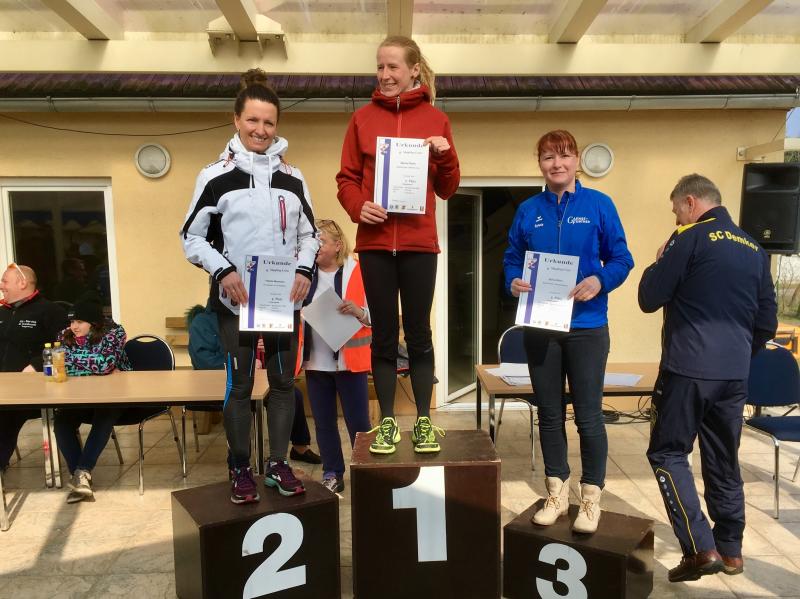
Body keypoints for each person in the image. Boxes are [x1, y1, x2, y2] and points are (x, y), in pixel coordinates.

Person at [181, 69, 319, 504]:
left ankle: (277, 463)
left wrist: (304, 270)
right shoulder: (214, 176)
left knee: (283, 385)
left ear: (277, 126)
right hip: (234, 301)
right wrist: (223, 271)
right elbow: (191, 237)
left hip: (281, 300)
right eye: (253, 120)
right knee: (240, 387)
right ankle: (240, 466)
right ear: (237, 120)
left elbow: (310, 235)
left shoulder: (293, 177)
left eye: (269, 122)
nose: (261, 130)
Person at [638, 174, 777, 582]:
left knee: (667, 453)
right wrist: (736, 355)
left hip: (687, 370)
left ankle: (701, 548)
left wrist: (659, 259)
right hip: (734, 375)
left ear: (691, 202)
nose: (676, 219)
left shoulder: (689, 238)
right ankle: (731, 550)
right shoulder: (754, 248)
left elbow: (649, 297)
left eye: (677, 211)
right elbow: (766, 322)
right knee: (723, 458)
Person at [504, 129, 634, 534]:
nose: (556, 164)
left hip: (587, 327)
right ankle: (556, 493)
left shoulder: (599, 205)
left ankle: (591, 497)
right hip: (541, 327)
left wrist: (600, 280)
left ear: (577, 160)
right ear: (539, 164)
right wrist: (512, 280)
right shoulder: (528, 209)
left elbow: (622, 258)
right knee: (548, 414)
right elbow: (511, 257)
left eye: (563, 156)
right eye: (548, 157)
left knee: (589, 417)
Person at [336, 35, 460, 454]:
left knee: (420, 333)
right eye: (379, 67)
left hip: (419, 244)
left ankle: (424, 421)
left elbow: (448, 188)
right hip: (374, 245)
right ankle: (387, 421)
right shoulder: (362, 119)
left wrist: (444, 155)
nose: (385, 75)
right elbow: (346, 179)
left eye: (393, 67)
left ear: (413, 70)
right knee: (384, 335)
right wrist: (358, 206)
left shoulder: (436, 119)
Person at [186, 302, 321, 465]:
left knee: (293, 394)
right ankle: (239, 462)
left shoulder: (252, 315)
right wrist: (243, 362)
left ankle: (299, 448)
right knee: (239, 402)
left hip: (255, 377)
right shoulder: (202, 321)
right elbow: (203, 360)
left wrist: (265, 349)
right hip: (220, 381)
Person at [302, 219, 372, 493]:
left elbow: (378, 316)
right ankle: (332, 472)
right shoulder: (303, 273)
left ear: (338, 245)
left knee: (359, 424)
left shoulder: (360, 271)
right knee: (323, 423)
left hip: (350, 364)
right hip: (316, 362)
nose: (315, 247)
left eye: (320, 242)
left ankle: (365, 472)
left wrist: (359, 311)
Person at [52, 300, 132, 503]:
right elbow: (59, 366)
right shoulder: (64, 335)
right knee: (61, 421)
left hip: (115, 394)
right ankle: (81, 478)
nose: (74, 327)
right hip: (79, 395)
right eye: (72, 322)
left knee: (104, 416)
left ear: (94, 322)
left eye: (79, 322)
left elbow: (104, 364)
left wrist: (71, 359)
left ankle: (82, 472)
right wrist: (95, 363)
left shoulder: (115, 333)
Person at [0, 263, 68, 471]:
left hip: (31, 387)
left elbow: (64, 346)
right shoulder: (2, 312)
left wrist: (36, 365)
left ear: (22, 283)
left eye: (5, 281)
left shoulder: (50, 311)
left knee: (4, 418)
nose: (1, 286)